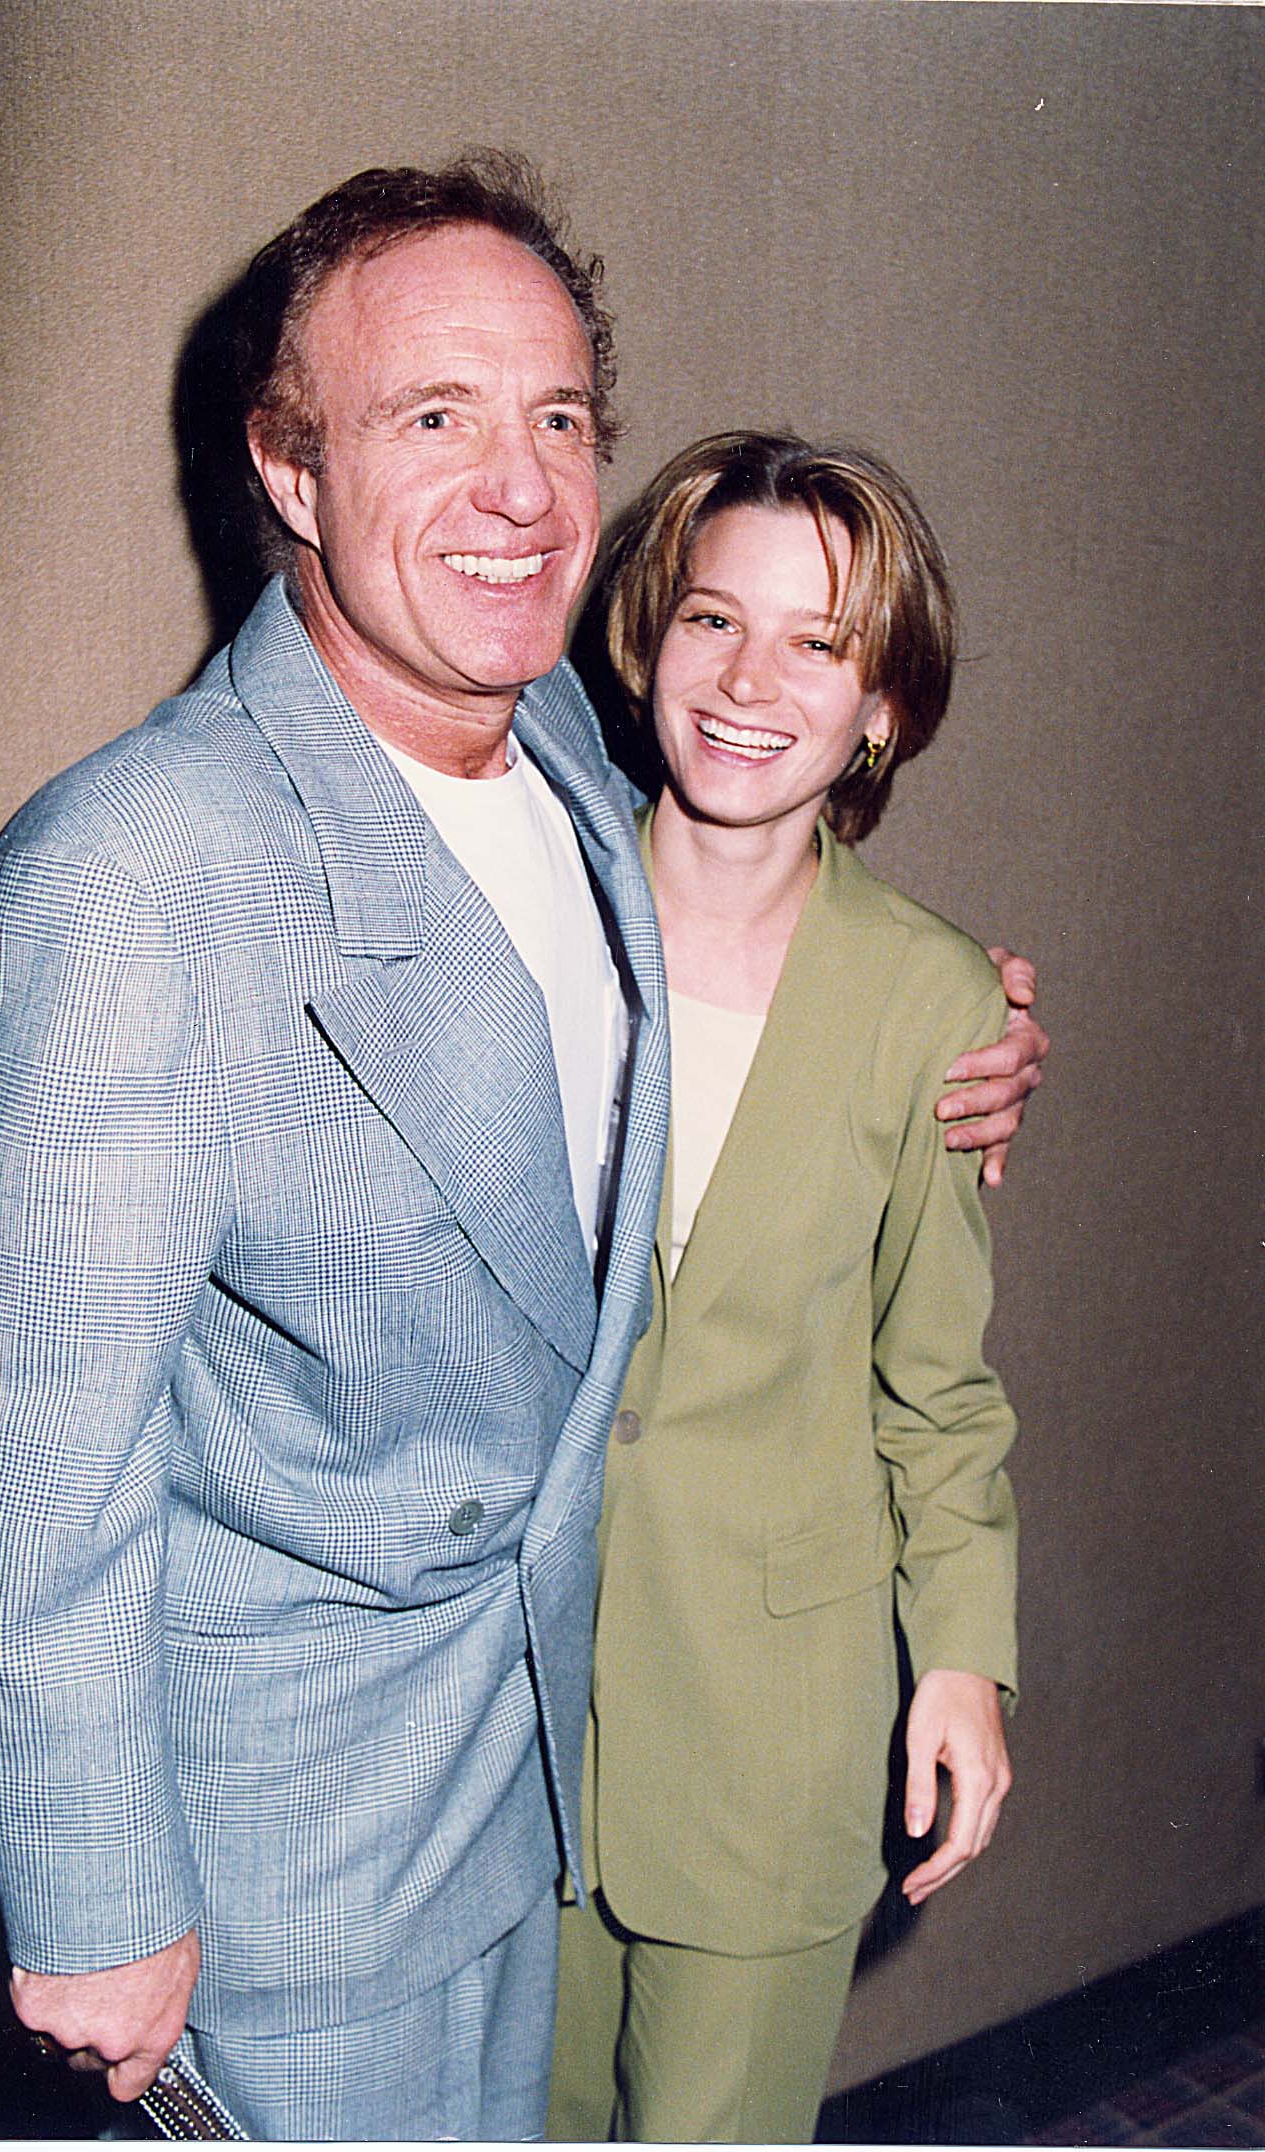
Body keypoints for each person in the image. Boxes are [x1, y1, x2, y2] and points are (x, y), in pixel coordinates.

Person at [0, 159, 1042, 2139]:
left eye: (555, 420)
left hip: (533, 1796)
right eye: (432, 418)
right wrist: (95, 1892)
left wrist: (973, 1024)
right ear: (285, 468)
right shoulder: (132, 880)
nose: (516, 485)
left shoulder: (573, 779)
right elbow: (16, 1457)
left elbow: (743, 998)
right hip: (277, 1883)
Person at [547, 432, 1026, 2144]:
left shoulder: (936, 1006)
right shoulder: (525, 912)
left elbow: (938, 1387)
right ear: (647, 643)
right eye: (709, 621)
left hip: (767, 1734)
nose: (749, 682)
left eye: (819, 642)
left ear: (883, 703)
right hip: (505, 1734)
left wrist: (963, 1660)